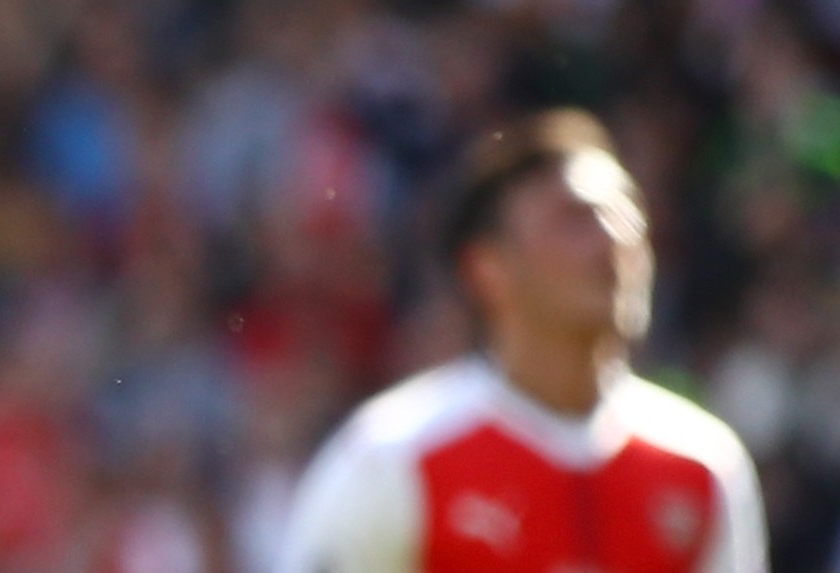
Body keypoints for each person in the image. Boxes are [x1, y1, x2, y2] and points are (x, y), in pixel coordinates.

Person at [276, 110, 766, 573]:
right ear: (488, 269)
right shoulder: (394, 458)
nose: (613, 242)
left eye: (628, 217)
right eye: (574, 219)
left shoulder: (703, 464)